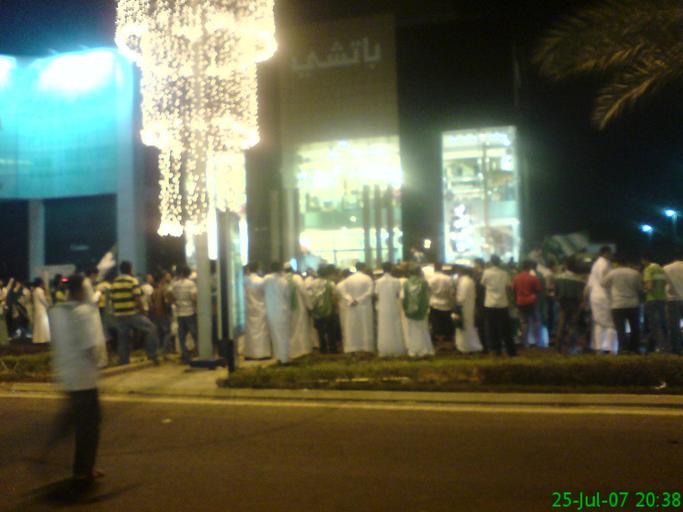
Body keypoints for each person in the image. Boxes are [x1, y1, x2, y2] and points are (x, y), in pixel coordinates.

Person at [44, 274, 107, 489]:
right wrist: (99, 364)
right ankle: (83, 471)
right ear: (80, 290)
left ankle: (82, 468)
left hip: (66, 375)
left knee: (80, 423)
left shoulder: (56, 311)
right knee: (90, 426)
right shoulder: (82, 313)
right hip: (84, 378)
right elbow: (89, 347)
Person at [111, 261, 159, 365]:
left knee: (123, 338)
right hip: (131, 313)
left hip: (119, 314)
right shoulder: (132, 280)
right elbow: (137, 298)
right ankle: (152, 355)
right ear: (130, 269)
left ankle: (124, 361)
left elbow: (112, 299)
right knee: (151, 329)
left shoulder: (114, 282)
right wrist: (142, 311)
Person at [602, 254, 642, 354]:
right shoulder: (634, 273)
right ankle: (634, 348)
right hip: (633, 304)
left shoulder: (613, 273)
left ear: (617, 263)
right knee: (635, 328)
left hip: (618, 304)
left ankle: (623, 349)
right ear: (627, 263)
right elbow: (640, 288)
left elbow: (603, 284)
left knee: (620, 329)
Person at [481, 255, 516, 356]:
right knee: (505, 328)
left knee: (492, 328)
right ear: (499, 262)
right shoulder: (504, 273)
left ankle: (496, 349)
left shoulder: (486, 272)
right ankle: (510, 351)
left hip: (489, 303)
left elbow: (482, 283)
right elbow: (509, 285)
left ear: (491, 262)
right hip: (502, 303)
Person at [336, 263, 375, 353]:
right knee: (365, 327)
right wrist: (359, 300)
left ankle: (352, 347)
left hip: (351, 306)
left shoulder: (348, 279)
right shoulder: (367, 278)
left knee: (352, 327)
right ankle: (367, 347)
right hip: (364, 306)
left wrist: (351, 300)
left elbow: (343, 292)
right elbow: (370, 292)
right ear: (364, 267)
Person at [586, 246, 618, 353]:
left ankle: (598, 347)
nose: (612, 256)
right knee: (610, 323)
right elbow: (604, 282)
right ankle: (610, 348)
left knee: (598, 323)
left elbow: (589, 284)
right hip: (603, 296)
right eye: (610, 253)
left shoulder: (595, 265)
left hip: (594, 296)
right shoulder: (605, 264)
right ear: (606, 253)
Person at [554, 257, 587, 353]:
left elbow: (556, 293)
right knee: (573, 326)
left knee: (561, 325)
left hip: (563, 305)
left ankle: (558, 347)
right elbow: (582, 296)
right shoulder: (580, 281)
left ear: (566, 265)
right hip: (575, 305)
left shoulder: (559, 278)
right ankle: (569, 347)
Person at [401, 265, 434, 357]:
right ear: (419, 272)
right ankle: (425, 349)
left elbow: (404, 297)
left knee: (412, 331)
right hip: (422, 310)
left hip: (410, 310)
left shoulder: (406, 283)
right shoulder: (424, 283)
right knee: (423, 329)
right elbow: (428, 296)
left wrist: (405, 308)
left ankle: (414, 350)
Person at [375, 262, 405, 357]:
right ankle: (396, 348)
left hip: (382, 307)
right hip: (393, 306)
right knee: (395, 326)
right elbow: (398, 294)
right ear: (391, 269)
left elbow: (376, 294)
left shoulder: (378, 281)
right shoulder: (396, 281)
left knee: (383, 327)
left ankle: (384, 349)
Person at [263, 262, 292, 363]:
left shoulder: (266, 279)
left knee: (274, 335)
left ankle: (279, 357)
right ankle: (284, 358)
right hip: (283, 310)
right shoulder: (284, 282)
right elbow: (288, 297)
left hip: (271, 310)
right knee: (284, 335)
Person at [170, 265, 198, 364]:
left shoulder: (174, 284)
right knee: (195, 335)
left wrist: (174, 302)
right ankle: (199, 354)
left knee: (182, 337)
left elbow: (168, 294)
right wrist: (195, 307)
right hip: (190, 312)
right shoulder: (191, 283)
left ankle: (185, 357)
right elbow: (194, 297)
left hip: (180, 313)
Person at [243, 263, 272, 359]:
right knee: (261, 332)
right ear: (258, 269)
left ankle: (250, 353)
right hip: (260, 308)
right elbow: (266, 294)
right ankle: (262, 354)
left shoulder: (245, 281)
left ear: (248, 269)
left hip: (249, 309)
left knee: (250, 333)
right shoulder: (261, 281)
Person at [512, 260, 543, 347]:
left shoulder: (516, 278)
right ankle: (537, 342)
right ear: (529, 267)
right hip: (532, 302)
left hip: (520, 302)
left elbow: (513, 290)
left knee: (524, 322)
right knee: (536, 321)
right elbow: (539, 289)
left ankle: (525, 343)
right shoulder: (533, 278)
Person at [641, 254, 668, 353]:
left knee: (653, 324)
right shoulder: (661, 269)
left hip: (652, 299)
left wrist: (643, 290)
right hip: (662, 298)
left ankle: (655, 346)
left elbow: (649, 285)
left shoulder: (648, 269)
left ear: (645, 260)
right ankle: (665, 345)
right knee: (663, 323)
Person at [285, 264, 313, 360]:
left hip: (286, 308)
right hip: (299, 306)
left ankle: (291, 351)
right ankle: (301, 350)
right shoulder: (297, 278)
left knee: (289, 329)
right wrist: (309, 305)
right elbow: (303, 292)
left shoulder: (282, 278)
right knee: (301, 327)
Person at [309, 266, 338, 354]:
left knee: (320, 331)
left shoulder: (312, 283)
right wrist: (335, 307)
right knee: (330, 330)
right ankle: (332, 348)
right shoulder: (330, 283)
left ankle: (323, 348)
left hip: (317, 310)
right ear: (326, 274)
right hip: (328, 309)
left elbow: (310, 295)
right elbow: (333, 296)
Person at [454, 267, 483, 353]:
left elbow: (461, 297)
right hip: (470, 306)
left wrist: (457, 303)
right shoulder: (470, 281)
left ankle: (464, 345)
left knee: (463, 325)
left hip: (463, 307)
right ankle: (470, 344)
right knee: (469, 325)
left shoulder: (463, 282)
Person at [427, 262, 455, 346]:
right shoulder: (448, 278)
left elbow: (428, 292)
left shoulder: (430, 279)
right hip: (446, 304)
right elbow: (451, 293)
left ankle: (438, 342)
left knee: (436, 324)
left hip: (434, 303)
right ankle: (446, 342)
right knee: (446, 324)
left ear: (434, 268)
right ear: (442, 268)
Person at [663, 251, 683, 354]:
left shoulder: (666, 268)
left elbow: (663, 284)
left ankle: (676, 349)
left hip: (672, 299)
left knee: (674, 326)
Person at [150, 271, 174, 355]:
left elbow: (151, 301)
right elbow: (168, 300)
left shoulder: (155, 288)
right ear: (163, 278)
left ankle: (158, 350)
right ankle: (165, 350)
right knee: (167, 332)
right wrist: (172, 301)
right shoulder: (165, 288)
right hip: (164, 312)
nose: (170, 277)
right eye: (168, 276)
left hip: (156, 313)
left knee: (159, 333)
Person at [32, 278, 51, 344]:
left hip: (37, 309)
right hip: (42, 309)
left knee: (38, 325)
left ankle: (37, 339)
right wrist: (48, 306)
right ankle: (43, 339)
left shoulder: (34, 291)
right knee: (43, 324)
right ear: (40, 283)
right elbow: (43, 300)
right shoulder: (40, 291)